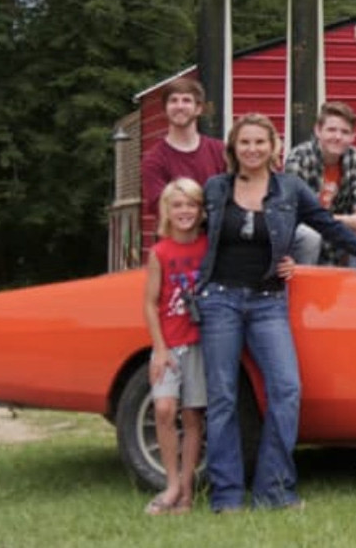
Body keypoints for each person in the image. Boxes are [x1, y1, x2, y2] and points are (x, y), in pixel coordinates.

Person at [193, 113, 356, 513]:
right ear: (233, 148)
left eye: (260, 142)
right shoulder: (215, 188)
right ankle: (226, 495)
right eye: (245, 143)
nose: (253, 149)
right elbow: (187, 229)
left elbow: (329, 226)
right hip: (220, 300)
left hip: (268, 301)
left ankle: (273, 488)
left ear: (274, 147)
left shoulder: (289, 189)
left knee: (287, 389)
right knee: (222, 397)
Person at [140, 178, 207, 516]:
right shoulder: (161, 252)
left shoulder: (208, 247)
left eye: (191, 205)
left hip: (199, 344)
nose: (185, 211)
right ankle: (172, 483)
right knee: (165, 409)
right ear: (168, 210)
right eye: (178, 205)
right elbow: (151, 304)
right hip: (170, 344)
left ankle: (187, 492)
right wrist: (160, 348)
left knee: (193, 415)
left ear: (200, 210)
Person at [283, 101, 356, 266]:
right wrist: (348, 221)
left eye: (345, 132)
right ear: (318, 131)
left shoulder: (353, 156)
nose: (338, 137)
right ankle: (305, 287)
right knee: (310, 236)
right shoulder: (299, 157)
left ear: (353, 136)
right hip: (306, 228)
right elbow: (298, 212)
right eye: (331, 130)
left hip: (339, 229)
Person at [142, 78, 226, 214]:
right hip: (175, 234)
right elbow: (161, 207)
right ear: (165, 109)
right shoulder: (154, 160)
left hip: (215, 233)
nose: (179, 106)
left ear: (198, 108)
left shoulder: (220, 151)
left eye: (186, 100)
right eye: (173, 100)